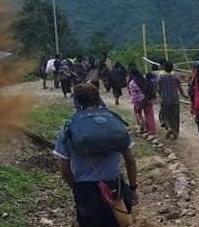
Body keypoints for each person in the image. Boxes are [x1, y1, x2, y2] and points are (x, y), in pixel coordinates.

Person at [53, 83, 138, 227]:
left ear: (77, 102)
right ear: (98, 98)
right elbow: (130, 161)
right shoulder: (114, 123)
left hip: (85, 189)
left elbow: (65, 170)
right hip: (114, 186)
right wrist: (133, 188)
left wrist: (76, 188)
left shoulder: (69, 128)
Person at [156, 61, 188, 139]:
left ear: (164, 68)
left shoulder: (160, 77)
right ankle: (175, 133)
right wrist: (184, 95)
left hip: (165, 99)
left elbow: (158, 89)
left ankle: (169, 128)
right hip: (175, 99)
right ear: (172, 68)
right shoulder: (176, 76)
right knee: (175, 117)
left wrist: (159, 96)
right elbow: (180, 88)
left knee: (165, 115)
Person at [128, 66, 157, 135]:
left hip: (138, 101)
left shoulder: (132, 83)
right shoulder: (144, 79)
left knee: (138, 113)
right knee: (149, 114)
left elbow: (132, 93)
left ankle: (141, 126)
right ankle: (151, 130)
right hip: (147, 99)